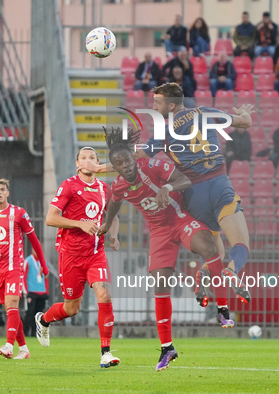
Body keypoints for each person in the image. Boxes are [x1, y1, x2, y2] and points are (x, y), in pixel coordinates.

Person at [80, 83, 254, 298]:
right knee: (240, 242)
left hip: (193, 193)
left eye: (157, 102)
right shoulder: (205, 112)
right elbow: (246, 122)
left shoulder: (163, 130)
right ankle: (233, 270)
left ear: (171, 105)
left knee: (214, 248)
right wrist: (243, 112)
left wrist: (99, 168)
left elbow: (133, 158)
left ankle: (203, 273)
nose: (153, 105)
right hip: (218, 183)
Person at [101, 127, 243, 371]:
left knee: (207, 247)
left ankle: (222, 308)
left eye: (127, 159)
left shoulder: (152, 165)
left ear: (133, 157)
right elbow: (114, 204)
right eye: (119, 163)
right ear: (115, 166)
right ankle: (167, 348)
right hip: (159, 233)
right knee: (160, 284)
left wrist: (167, 188)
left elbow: (184, 180)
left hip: (180, 219)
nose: (125, 165)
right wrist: (107, 229)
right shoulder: (119, 185)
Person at [34, 147, 121, 369]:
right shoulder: (69, 185)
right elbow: (51, 219)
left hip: (95, 253)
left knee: (104, 293)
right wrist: (80, 223)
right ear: (78, 164)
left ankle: (106, 353)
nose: (89, 161)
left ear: (98, 163)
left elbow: (114, 216)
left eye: (93, 158)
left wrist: (113, 234)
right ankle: (43, 320)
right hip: (71, 255)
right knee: (71, 308)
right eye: (84, 157)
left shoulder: (105, 189)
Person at [0, 178, 49, 360]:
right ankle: (24, 349)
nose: (0, 192)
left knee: (12, 305)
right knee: (10, 311)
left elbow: (34, 240)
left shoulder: (19, 213)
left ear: (8, 193)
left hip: (14, 267)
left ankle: (9, 346)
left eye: (3, 189)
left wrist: (43, 264)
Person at [23, 249, 49, 337]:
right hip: (31, 292)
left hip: (42, 292)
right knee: (29, 313)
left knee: (39, 315)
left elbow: (46, 277)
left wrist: (46, 291)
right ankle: (25, 333)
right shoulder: (28, 261)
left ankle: (35, 333)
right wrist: (26, 292)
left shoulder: (43, 262)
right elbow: (24, 277)